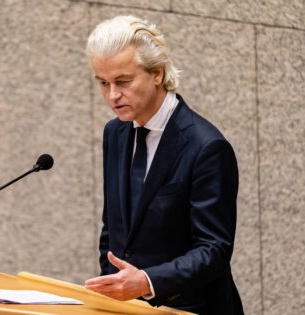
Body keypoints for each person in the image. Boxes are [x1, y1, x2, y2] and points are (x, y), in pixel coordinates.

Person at [84, 16, 244, 315]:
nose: (112, 95)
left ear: (157, 73)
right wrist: (114, 289)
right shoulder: (115, 133)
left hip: (191, 308)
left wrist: (146, 282)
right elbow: (114, 227)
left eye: (123, 81)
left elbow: (214, 249)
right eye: (103, 83)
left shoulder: (206, 147)